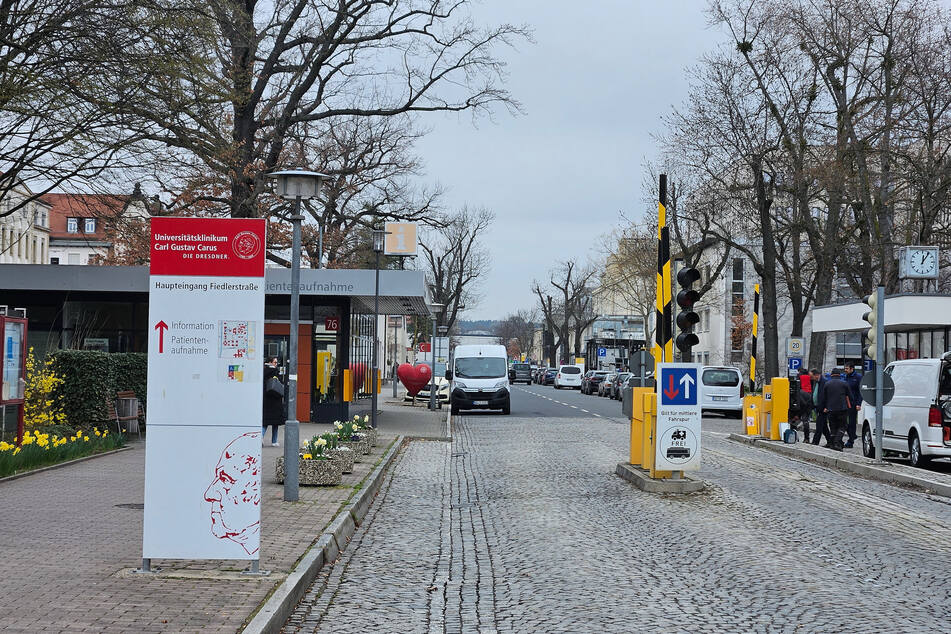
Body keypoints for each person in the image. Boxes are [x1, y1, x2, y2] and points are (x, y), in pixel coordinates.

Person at [820, 368, 852, 451]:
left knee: (833, 427)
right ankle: (837, 443)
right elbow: (850, 396)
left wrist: (824, 407)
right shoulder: (844, 383)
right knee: (842, 426)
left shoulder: (827, 384)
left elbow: (823, 398)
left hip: (830, 409)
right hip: (842, 409)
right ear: (840, 375)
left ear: (831, 375)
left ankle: (832, 443)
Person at [262, 363, 285, 446]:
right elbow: (281, 384)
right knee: (276, 423)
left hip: (266, 400)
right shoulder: (275, 372)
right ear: (270, 362)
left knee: (265, 423)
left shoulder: (263, 372)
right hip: (275, 400)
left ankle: (260, 437)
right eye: (274, 362)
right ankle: (274, 441)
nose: (276, 364)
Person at [843, 362, 863, 448]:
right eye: (845, 368)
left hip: (853, 403)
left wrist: (858, 403)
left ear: (852, 369)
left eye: (847, 368)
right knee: (844, 421)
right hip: (845, 403)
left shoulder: (858, 377)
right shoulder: (846, 377)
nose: (845, 370)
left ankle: (851, 441)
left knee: (852, 422)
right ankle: (852, 435)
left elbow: (860, 391)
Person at [811, 369, 832, 446]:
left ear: (816, 375)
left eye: (812, 376)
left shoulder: (824, 382)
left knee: (819, 425)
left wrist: (827, 406)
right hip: (818, 407)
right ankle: (830, 441)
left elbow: (827, 396)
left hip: (823, 408)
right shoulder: (816, 382)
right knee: (824, 426)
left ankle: (815, 442)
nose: (811, 378)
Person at [797, 368, 814, 443]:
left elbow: (798, 386)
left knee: (796, 417)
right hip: (809, 397)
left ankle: (794, 436)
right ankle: (807, 438)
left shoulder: (799, 376)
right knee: (805, 420)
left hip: (801, 397)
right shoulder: (810, 377)